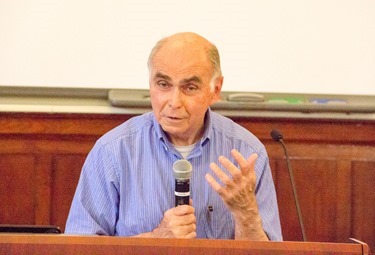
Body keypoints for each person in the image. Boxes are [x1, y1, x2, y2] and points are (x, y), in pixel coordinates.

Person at [65, 32, 282, 241]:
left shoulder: (246, 153)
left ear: (215, 90)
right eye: (163, 85)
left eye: (189, 87)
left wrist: (246, 213)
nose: (174, 101)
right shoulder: (112, 151)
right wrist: (155, 240)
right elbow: (78, 249)